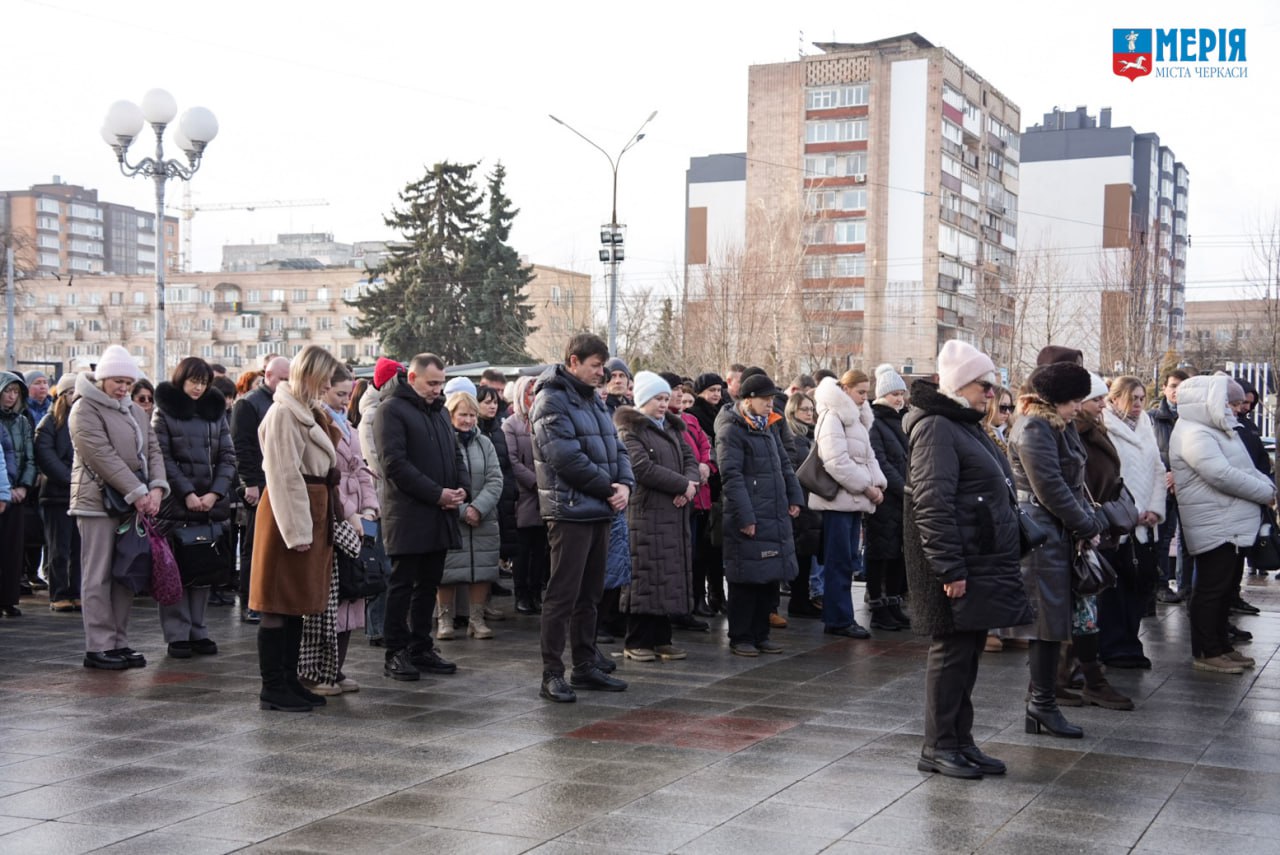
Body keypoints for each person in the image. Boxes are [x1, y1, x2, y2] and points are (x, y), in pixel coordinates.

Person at [904, 341, 1032, 779]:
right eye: (986, 385)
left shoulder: (963, 423)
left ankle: (961, 740)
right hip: (957, 564)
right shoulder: (937, 426)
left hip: (978, 556)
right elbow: (931, 501)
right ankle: (938, 746)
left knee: (969, 652)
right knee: (951, 653)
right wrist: (950, 568)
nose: (992, 394)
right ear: (961, 385)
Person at [531, 333, 634, 702]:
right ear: (573, 362)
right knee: (563, 595)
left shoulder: (593, 401)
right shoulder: (551, 400)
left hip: (600, 509)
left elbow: (617, 447)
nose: (602, 373)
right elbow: (565, 458)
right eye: (595, 366)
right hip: (570, 510)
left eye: (603, 366)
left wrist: (625, 483)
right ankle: (552, 673)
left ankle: (586, 665)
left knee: (590, 594)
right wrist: (610, 489)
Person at [1007, 361, 1101, 739]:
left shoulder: (1054, 424)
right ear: (1057, 399)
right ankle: (1041, 704)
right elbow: (1050, 488)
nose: (1079, 406)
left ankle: (1043, 704)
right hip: (1042, 534)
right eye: (1075, 400)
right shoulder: (1034, 427)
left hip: (1056, 532)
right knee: (1044, 624)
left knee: (1051, 624)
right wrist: (1087, 524)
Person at [250, 345, 343, 712]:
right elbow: (283, 474)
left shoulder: (306, 411)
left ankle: (287, 680)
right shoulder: (283, 415)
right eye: (324, 379)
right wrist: (298, 531)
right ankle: (273, 687)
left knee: (295, 602)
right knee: (277, 601)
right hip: (290, 514)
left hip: (309, 509)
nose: (328, 386)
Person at [69, 347, 169, 668]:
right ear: (102, 379)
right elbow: (101, 456)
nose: (123, 387)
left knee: (125, 572)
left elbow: (153, 450)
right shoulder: (84, 409)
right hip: (96, 504)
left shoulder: (134, 410)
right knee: (97, 575)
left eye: (128, 381)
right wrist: (139, 491)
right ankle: (99, 645)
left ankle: (119, 641)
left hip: (131, 503)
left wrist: (156, 488)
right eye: (117, 381)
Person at [1170, 375, 1275, 674]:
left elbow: (1245, 468)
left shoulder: (1217, 429)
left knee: (1226, 587)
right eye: (1230, 403)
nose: (1235, 409)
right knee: (1210, 590)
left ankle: (1221, 646)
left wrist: (1267, 486)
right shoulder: (1194, 433)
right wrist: (1265, 492)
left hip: (1230, 523)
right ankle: (1207, 650)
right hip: (1214, 523)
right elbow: (1221, 474)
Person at [374, 353, 466, 682]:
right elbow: (395, 465)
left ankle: (420, 647)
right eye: (432, 383)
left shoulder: (439, 412)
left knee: (428, 585)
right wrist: (436, 494)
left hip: (439, 513)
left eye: (441, 383)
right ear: (411, 379)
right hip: (408, 515)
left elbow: (455, 454)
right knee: (402, 586)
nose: (438, 390)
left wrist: (460, 489)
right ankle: (396, 652)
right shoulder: (390, 411)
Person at [152, 357, 237, 659]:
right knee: (175, 569)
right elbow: (161, 457)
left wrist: (215, 492)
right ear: (181, 379)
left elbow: (228, 455)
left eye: (204, 382)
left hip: (209, 503)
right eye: (194, 381)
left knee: (203, 567)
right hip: (176, 503)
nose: (199, 387)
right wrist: (186, 492)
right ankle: (177, 633)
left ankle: (198, 629)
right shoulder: (164, 412)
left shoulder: (216, 412)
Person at [299, 366, 376, 695]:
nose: (346, 401)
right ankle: (315, 673)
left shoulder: (349, 426)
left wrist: (370, 508)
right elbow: (328, 480)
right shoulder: (318, 424)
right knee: (329, 602)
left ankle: (337, 668)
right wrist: (350, 514)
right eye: (340, 394)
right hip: (334, 520)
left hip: (357, 519)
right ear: (323, 390)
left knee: (351, 596)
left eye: (348, 394)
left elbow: (361, 471)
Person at [716, 373, 802, 657]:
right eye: (765, 400)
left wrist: (794, 497)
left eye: (771, 400)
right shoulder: (732, 429)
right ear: (748, 400)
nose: (770, 405)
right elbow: (732, 476)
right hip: (750, 512)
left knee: (769, 575)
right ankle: (741, 636)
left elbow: (784, 466)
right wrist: (746, 517)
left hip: (773, 511)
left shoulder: (768, 426)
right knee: (746, 576)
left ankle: (760, 633)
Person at [615, 373, 700, 662]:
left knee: (668, 577)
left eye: (666, 398)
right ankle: (637, 640)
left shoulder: (673, 428)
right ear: (642, 400)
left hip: (673, 513)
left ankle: (662, 638)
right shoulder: (630, 430)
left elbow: (690, 459)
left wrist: (689, 487)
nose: (664, 404)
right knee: (645, 576)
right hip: (645, 514)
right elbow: (641, 468)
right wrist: (681, 485)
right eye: (657, 399)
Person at [1070, 374, 1135, 710]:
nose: (1103, 405)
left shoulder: (1093, 429)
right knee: (1082, 607)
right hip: (1082, 528)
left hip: (1096, 524)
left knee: (1084, 606)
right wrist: (1087, 522)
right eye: (1097, 400)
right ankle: (1085, 678)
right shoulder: (1073, 432)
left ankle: (1064, 676)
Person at [809, 371, 887, 639]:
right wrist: (867, 486)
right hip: (837, 501)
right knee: (839, 561)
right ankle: (838, 618)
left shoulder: (855, 419)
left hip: (852, 500)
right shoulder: (833, 417)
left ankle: (842, 616)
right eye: (861, 392)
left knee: (847, 560)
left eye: (867, 392)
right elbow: (836, 461)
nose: (865, 398)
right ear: (845, 389)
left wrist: (878, 483)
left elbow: (868, 456)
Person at [1099, 376, 1165, 669]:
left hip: (1143, 523)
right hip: (1117, 520)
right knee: (1113, 589)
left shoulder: (1146, 425)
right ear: (1114, 399)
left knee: (1138, 585)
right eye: (1132, 398)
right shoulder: (1104, 426)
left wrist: (1154, 509)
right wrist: (1129, 512)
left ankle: (1130, 642)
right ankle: (1112, 646)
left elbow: (1157, 469)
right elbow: (1107, 477)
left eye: (1141, 398)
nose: (1138, 404)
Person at [437, 391, 504, 640]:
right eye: (463, 414)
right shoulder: (443, 442)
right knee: (447, 571)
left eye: (472, 415)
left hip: (484, 517)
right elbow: (440, 481)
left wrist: (479, 508)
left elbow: (496, 479)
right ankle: (445, 619)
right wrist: (464, 511)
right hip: (454, 517)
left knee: (483, 569)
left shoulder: (484, 443)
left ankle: (476, 619)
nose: (468, 420)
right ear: (451, 415)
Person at [231, 355, 289, 623]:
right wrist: (249, 483)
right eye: (283, 379)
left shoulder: (282, 401)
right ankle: (250, 602)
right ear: (268, 376)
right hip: (259, 483)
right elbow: (241, 447)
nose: (288, 384)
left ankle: (268, 598)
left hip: (278, 483)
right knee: (254, 545)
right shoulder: (249, 403)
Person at [356, 357, 403, 646]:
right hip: (381, 501)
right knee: (379, 567)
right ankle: (376, 628)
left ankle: (386, 625)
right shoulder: (372, 415)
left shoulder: (386, 409)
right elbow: (378, 464)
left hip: (391, 499)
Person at [866, 364, 911, 631]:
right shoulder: (875, 422)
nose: (899, 398)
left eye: (901, 393)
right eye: (894, 393)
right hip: (886, 499)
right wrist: (904, 487)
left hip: (903, 498)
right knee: (880, 553)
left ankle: (893, 605)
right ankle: (879, 609)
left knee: (897, 554)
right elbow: (880, 462)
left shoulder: (902, 421)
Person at [35, 374, 81, 612]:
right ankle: (59, 593)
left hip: (80, 494)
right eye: (71, 392)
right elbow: (46, 457)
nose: (75, 397)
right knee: (58, 548)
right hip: (56, 495)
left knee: (78, 548)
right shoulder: (49, 422)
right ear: (62, 395)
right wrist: (71, 479)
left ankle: (76, 591)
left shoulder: (84, 421)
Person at [503, 375, 547, 615]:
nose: (533, 398)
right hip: (524, 495)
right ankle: (521, 594)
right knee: (522, 549)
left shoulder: (545, 421)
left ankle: (535, 593)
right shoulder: (511, 424)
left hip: (544, 495)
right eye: (530, 393)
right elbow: (510, 461)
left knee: (540, 549)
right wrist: (535, 481)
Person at [981, 385, 1016, 653]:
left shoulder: (1009, 435)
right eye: (1002, 407)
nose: (1006, 413)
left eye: (1010, 408)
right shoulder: (984, 435)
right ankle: (989, 630)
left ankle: (1006, 628)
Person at [688, 372, 727, 614]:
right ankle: (698, 596)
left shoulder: (723, 412)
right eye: (711, 390)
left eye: (718, 389)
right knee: (702, 547)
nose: (716, 394)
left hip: (719, 487)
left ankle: (717, 594)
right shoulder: (695, 415)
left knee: (717, 546)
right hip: (704, 487)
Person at [1151, 369, 1190, 603]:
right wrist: (1168, 473)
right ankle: (1160, 584)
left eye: (1182, 387)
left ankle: (1186, 585)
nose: (1176, 391)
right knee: (1163, 538)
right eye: (1173, 385)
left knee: (1189, 539)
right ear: (1164, 388)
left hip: (1187, 486)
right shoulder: (1153, 418)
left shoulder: (1193, 418)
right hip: (1163, 486)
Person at [783, 392, 822, 619]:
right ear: (793, 411)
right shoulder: (793, 436)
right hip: (801, 502)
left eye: (810, 409)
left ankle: (802, 599)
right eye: (804, 409)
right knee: (801, 554)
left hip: (812, 502)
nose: (809, 413)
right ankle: (798, 601)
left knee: (807, 554)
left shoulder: (810, 435)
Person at [0, 371, 37, 615]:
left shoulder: (22, 421)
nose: (12, 396)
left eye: (16, 392)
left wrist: (23, 485)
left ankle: (9, 599)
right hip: (3, 489)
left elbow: (30, 457)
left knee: (13, 549)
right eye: (7, 391)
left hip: (17, 492)